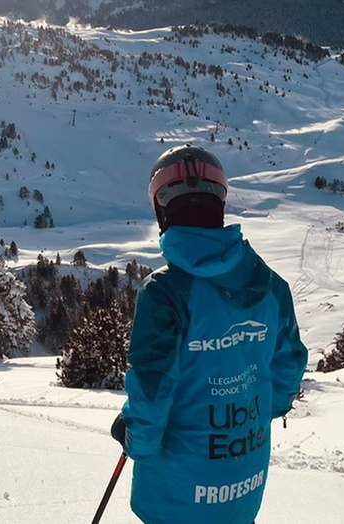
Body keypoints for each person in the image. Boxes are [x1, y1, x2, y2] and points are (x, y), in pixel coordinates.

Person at [110, 145, 308, 524]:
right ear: (219, 203)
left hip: (176, 497)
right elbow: (288, 373)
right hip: (244, 482)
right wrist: (247, 419)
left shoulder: (165, 294)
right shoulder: (270, 287)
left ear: (162, 212)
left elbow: (150, 396)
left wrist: (136, 437)